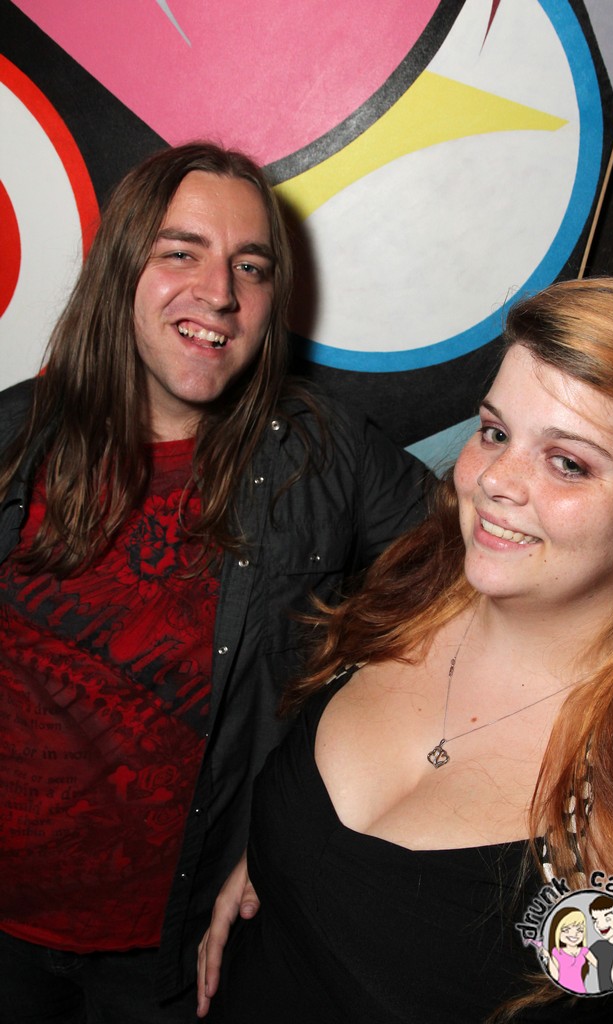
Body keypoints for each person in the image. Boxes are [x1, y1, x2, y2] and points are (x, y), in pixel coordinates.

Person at [0, 142, 430, 1023]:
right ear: (123, 270)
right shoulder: (13, 435)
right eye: (181, 252)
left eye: (250, 266)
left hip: (174, 953)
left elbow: (479, 600)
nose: (220, 293)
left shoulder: (324, 453)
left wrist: (300, 822)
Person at [198, 276, 613, 1022]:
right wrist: (279, 853)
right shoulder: (417, 586)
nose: (494, 481)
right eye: (494, 432)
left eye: (568, 463)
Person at [544, 907, 596, 995]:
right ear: (557, 931)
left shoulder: (584, 951)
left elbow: (600, 966)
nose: (574, 934)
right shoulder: (557, 952)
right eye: (566, 930)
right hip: (560, 993)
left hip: (580, 991)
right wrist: (548, 958)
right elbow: (555, 976)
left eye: (580, 930)